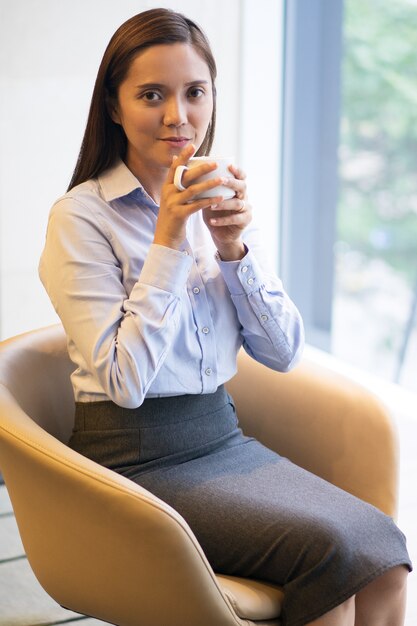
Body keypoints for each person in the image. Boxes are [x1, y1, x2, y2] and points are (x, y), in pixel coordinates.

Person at [39, 8, 411, 626]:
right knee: (334, 557)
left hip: (222, 438)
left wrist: (236, 252)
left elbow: (284, 353)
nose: (176, 116)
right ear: (113, 106)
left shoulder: (218, 198)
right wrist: (169, 241)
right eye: (151, 95)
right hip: (134, 459)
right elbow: (124, 383)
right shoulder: (80, 218)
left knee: (384, 551)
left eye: (194, 92)